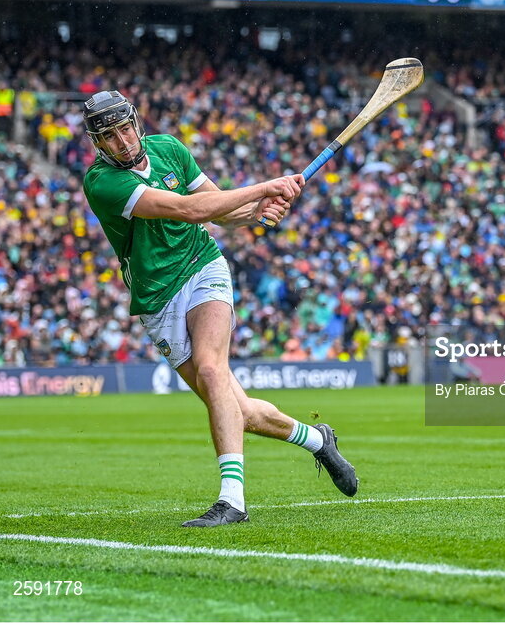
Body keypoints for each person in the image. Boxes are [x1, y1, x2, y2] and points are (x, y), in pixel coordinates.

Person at [80, 90, 357, 527]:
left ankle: (233, 502)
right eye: (110, 136)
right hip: (157, 296)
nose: (123, 141)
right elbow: (189, 209)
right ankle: (318, 441)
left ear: (137, 122)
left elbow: (222, 213)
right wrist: (266, 187)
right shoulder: (103, 183)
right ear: (98, 144)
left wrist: (259, 210)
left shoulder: (169, 148)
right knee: (236, 409)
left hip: (203, 267)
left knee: (212, 370)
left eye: (126, 128)